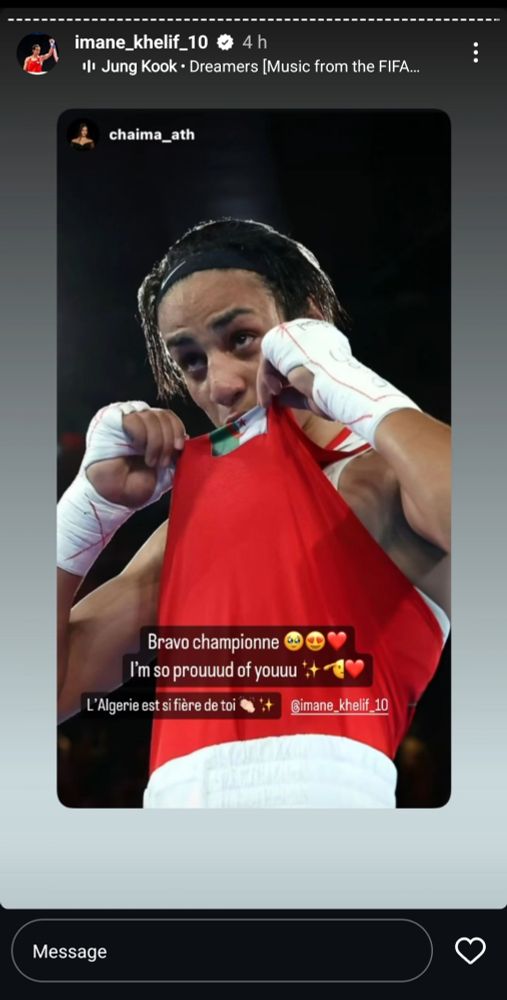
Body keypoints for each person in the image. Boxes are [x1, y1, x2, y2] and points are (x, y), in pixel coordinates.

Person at [57, 218, 451, 808]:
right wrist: (85, 515)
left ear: (311, 321)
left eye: (240, 338)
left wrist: (349, 383)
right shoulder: (189, 528)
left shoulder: (389, 477)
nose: (219, 384)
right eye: (191, 361)